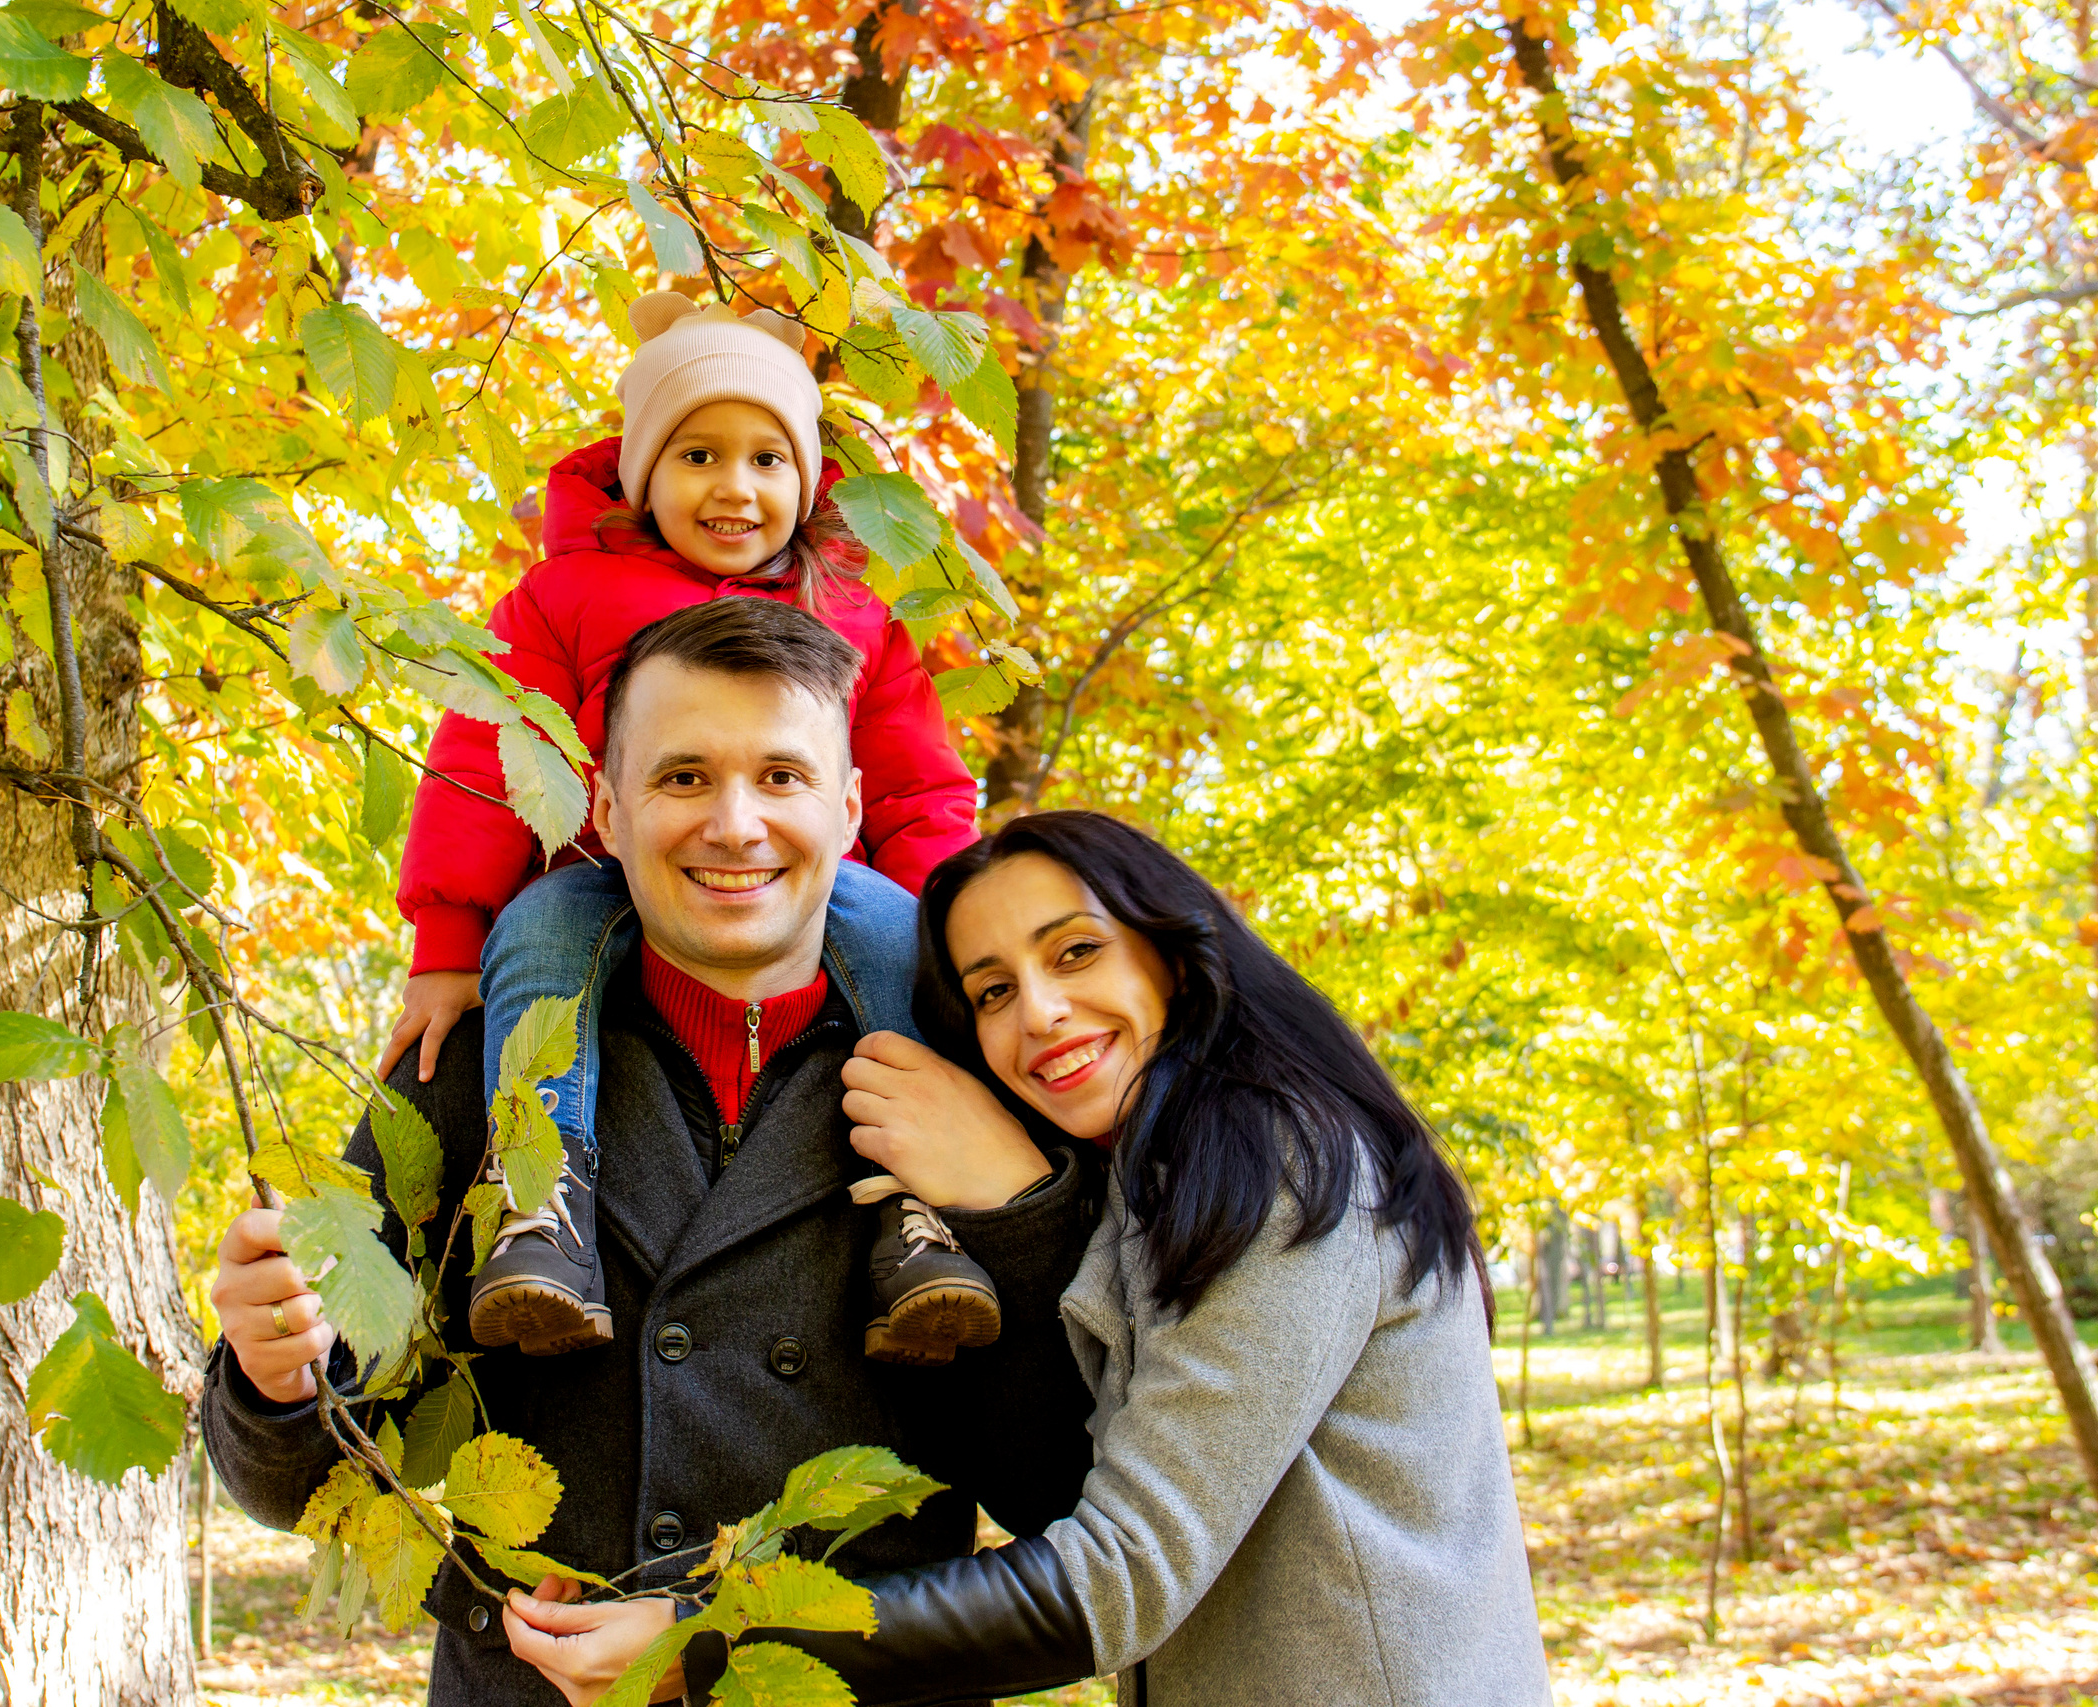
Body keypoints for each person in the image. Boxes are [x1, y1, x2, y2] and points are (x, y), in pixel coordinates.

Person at [202, 601, 1099, 1706]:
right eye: (683, 777)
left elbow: (1067, 1497)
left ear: (849, 808)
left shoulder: (986, 1083)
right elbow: (302, 1483)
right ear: (608, 810)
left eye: (781, 776)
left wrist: (1019, 1211)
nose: (735, 824)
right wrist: (273, 1376)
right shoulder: (482, 1070)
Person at [506, 811, 1553, 1707]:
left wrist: (707, 1638)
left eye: (1076, 952)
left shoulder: (1290, 1169)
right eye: (993, 991)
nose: (1041, 1012)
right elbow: (1064, 1486)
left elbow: (1117, 1576)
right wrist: (1013, 1206)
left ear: (1172, 951)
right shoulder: (1156, 1183)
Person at [380, 290, 993, 1366]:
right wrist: (446, 944)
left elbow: (915, 791)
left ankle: (913, 1208)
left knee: (898, 935)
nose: (735, 486)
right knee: (537, 936)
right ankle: (539, 1198)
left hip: (816, 892)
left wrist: (962, 933)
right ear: (641, 472)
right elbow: (481, 761)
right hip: (601, 871)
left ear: (805, 479)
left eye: (767, 459)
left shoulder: (850, 612)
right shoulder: (565, 595)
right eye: (698, 455)